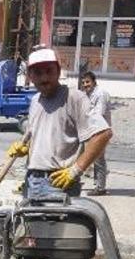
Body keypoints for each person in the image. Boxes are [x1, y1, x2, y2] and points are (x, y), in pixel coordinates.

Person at [7, 49, 112, 200]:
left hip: (57, 183)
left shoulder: (75, 98)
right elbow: (46, 136)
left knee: (54, 224)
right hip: (32, 179)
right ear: (29, 76)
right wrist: (26, 148)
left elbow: (103, 134)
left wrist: (76, 170)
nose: (44, 78)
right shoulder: (36, 101)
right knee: (30, 224)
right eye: (37, 72)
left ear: (58, 71)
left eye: (49, 71)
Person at [80, 71, 112, 195]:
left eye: (87, 82)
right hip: (92, 130)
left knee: (98, 159)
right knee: (92, 157)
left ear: (94, 82)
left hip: (100, 131)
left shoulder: (100, 94)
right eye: (83, 83)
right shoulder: (88, 94)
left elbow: (99, 114)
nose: (85, 84)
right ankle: (97, 184)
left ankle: (100, 188)